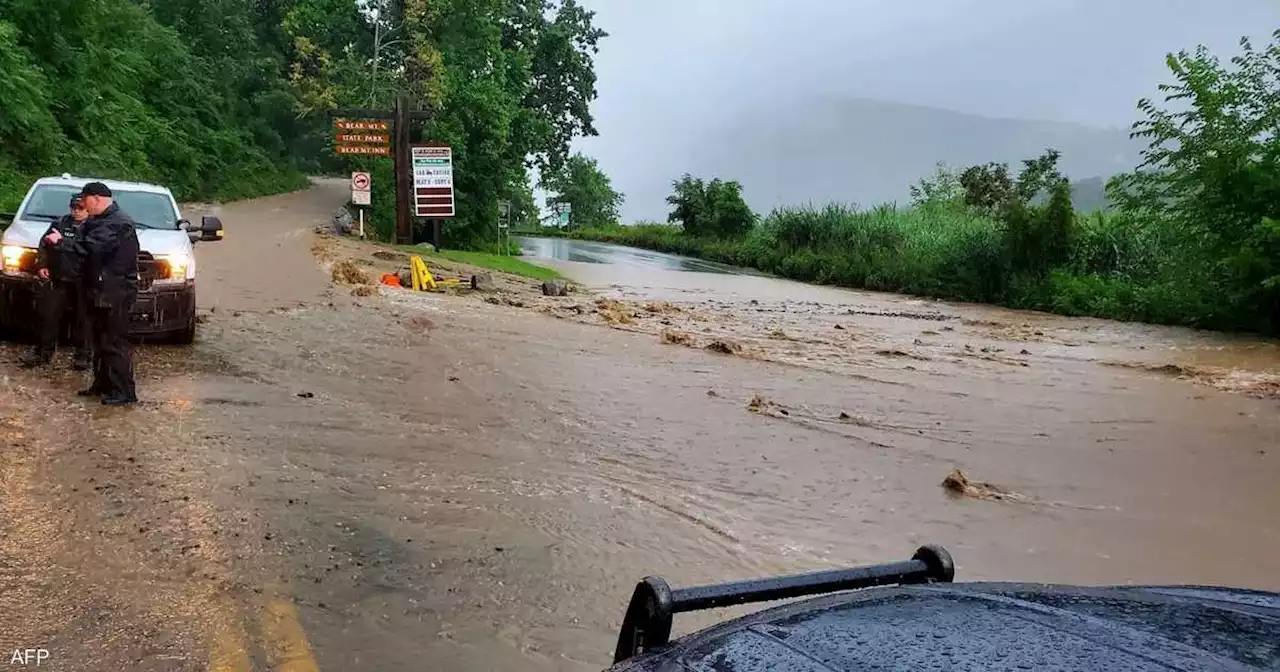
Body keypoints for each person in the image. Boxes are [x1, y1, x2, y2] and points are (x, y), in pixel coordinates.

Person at [45, 182, 139, 405]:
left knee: (113, 343)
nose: (83, 207)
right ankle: (102, 385)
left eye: (85, 202)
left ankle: (123, 392)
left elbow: (90, 248)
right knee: (98, 341)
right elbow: (81, 247)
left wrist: (62, 242)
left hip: (115, 292)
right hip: (97, 290)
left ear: (96, 198)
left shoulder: (117, 222)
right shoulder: (98, 220)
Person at [21, 195, 92, 370]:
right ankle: (42, 353)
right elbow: (44, 244)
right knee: (48, 316)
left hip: (83, 281)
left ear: (88, 209)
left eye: (80, 208)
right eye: (74, 207)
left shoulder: (94, 227)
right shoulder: (60, 223)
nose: (76, 211)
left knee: (83, 320)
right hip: (59, 278)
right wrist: (42, 265)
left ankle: (83, 356)